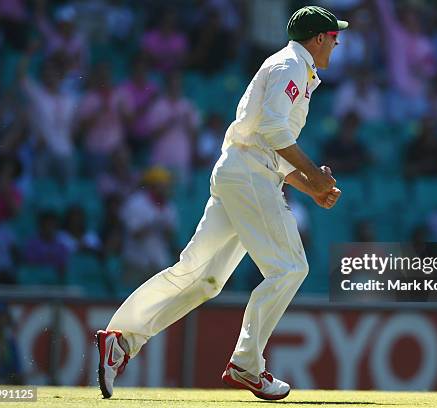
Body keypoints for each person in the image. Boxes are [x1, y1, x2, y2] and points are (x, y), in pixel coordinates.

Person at [96, 6, 345, 401]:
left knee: (202, 277)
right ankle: (248, 364)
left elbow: (269, 143)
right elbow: (272, 131)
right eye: (334, 36)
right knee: (291, 267)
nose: (337, 42)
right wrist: (314, 176)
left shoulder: (297, 69)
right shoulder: (291, 66)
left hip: (241, 169)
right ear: (318, 38)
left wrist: (309, 186)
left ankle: (121, 339)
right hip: (249, 174)